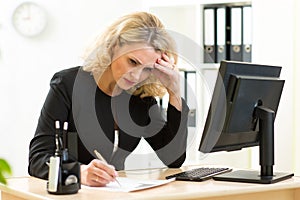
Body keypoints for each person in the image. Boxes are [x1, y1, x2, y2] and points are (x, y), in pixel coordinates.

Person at [28, 11, 189, 187]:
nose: (136, 76)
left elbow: (173, 158)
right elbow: (38, 159)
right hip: (74, 193)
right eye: (133, 62)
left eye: (147, 69)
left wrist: (174, 92)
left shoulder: (141, 97)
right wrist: (78, 172)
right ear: (113, 46)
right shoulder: (68, 84)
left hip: (117, 193)